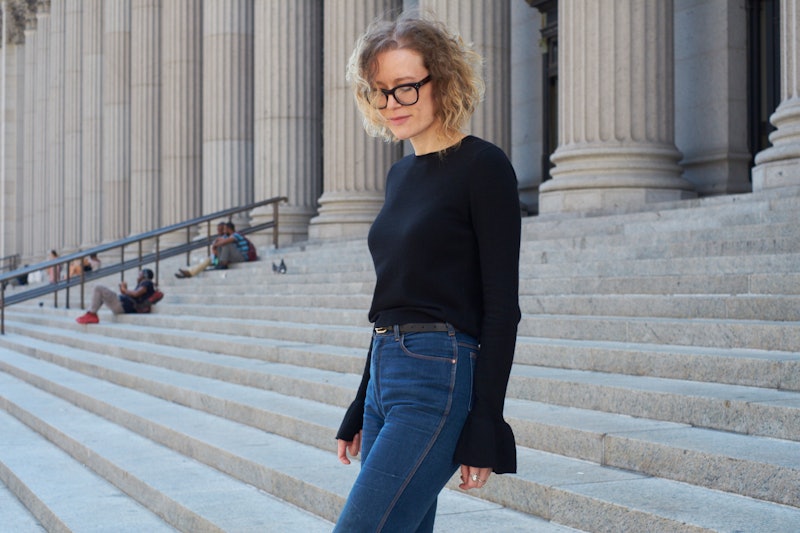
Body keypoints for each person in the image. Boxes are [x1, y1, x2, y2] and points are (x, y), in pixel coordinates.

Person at [333, 12, 521, 532]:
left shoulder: (482, 167)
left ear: (444, 80)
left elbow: (503, 307)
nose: (391, 104)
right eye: (380, 91)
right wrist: (359, 400)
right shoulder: (398, 176)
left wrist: (486, 419)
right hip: (385, 375)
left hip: (438, 375)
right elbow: (395, 296)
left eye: (406, 87)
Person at [75, 268, 156, 325]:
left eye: (140, 274)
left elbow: (136, 294)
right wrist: (124, 289)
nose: (137, 276)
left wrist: (124, 289)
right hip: (122, 304)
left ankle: (92, 314)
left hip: (122, 304)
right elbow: (134, 295)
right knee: (100, 293)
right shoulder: (143, 284)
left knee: (98, 287)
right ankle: (91, 313)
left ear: (145, 276)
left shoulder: (147, 282)